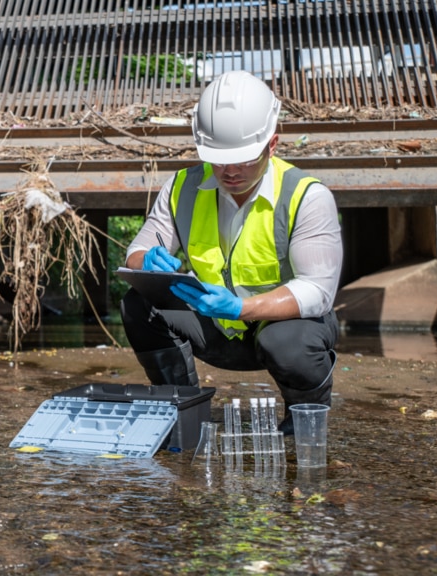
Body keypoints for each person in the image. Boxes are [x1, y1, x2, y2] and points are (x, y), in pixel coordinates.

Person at [120, 70, 342, 435]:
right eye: (220, 158)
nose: (230, 170)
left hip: (277, 330)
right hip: (214, 329)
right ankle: (181, 408)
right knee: (137, 303)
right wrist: (146, 261)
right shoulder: (183, 188)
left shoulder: (306, 196)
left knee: (288, 341)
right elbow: (139, 249)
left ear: (272, 145)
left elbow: (317, 292)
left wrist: (242, 308)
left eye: (243, 158)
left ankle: (306, 419)